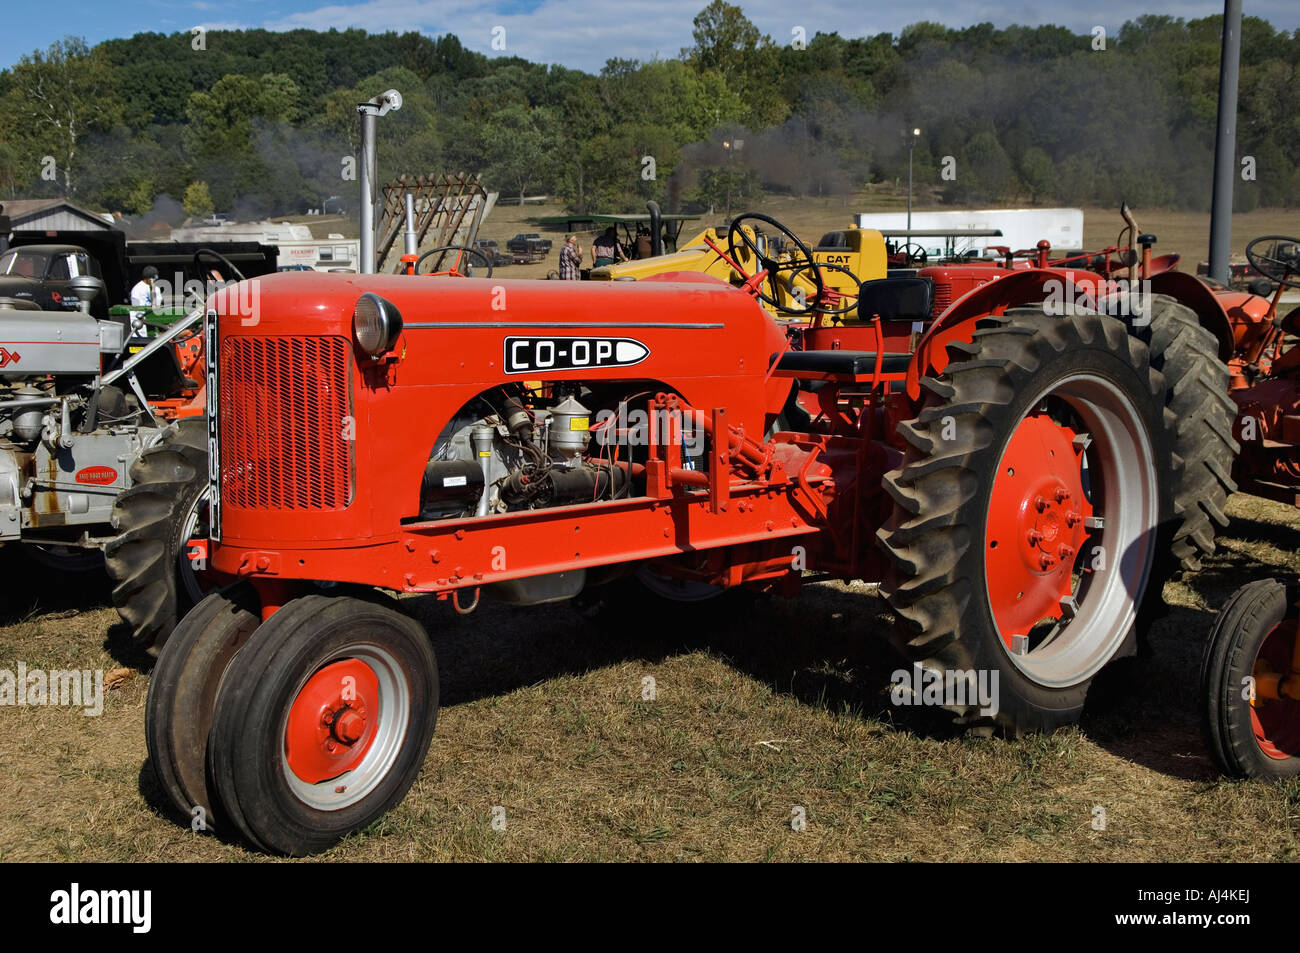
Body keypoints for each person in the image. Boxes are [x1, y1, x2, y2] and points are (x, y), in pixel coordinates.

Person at [129, 265, 160, 336]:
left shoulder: (156, 289)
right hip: (142, 320)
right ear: (149, 278)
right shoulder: (137, 289)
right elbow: (136, 308)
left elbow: (157, 305)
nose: (156, 279)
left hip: (155, 319)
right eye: (154, 277)